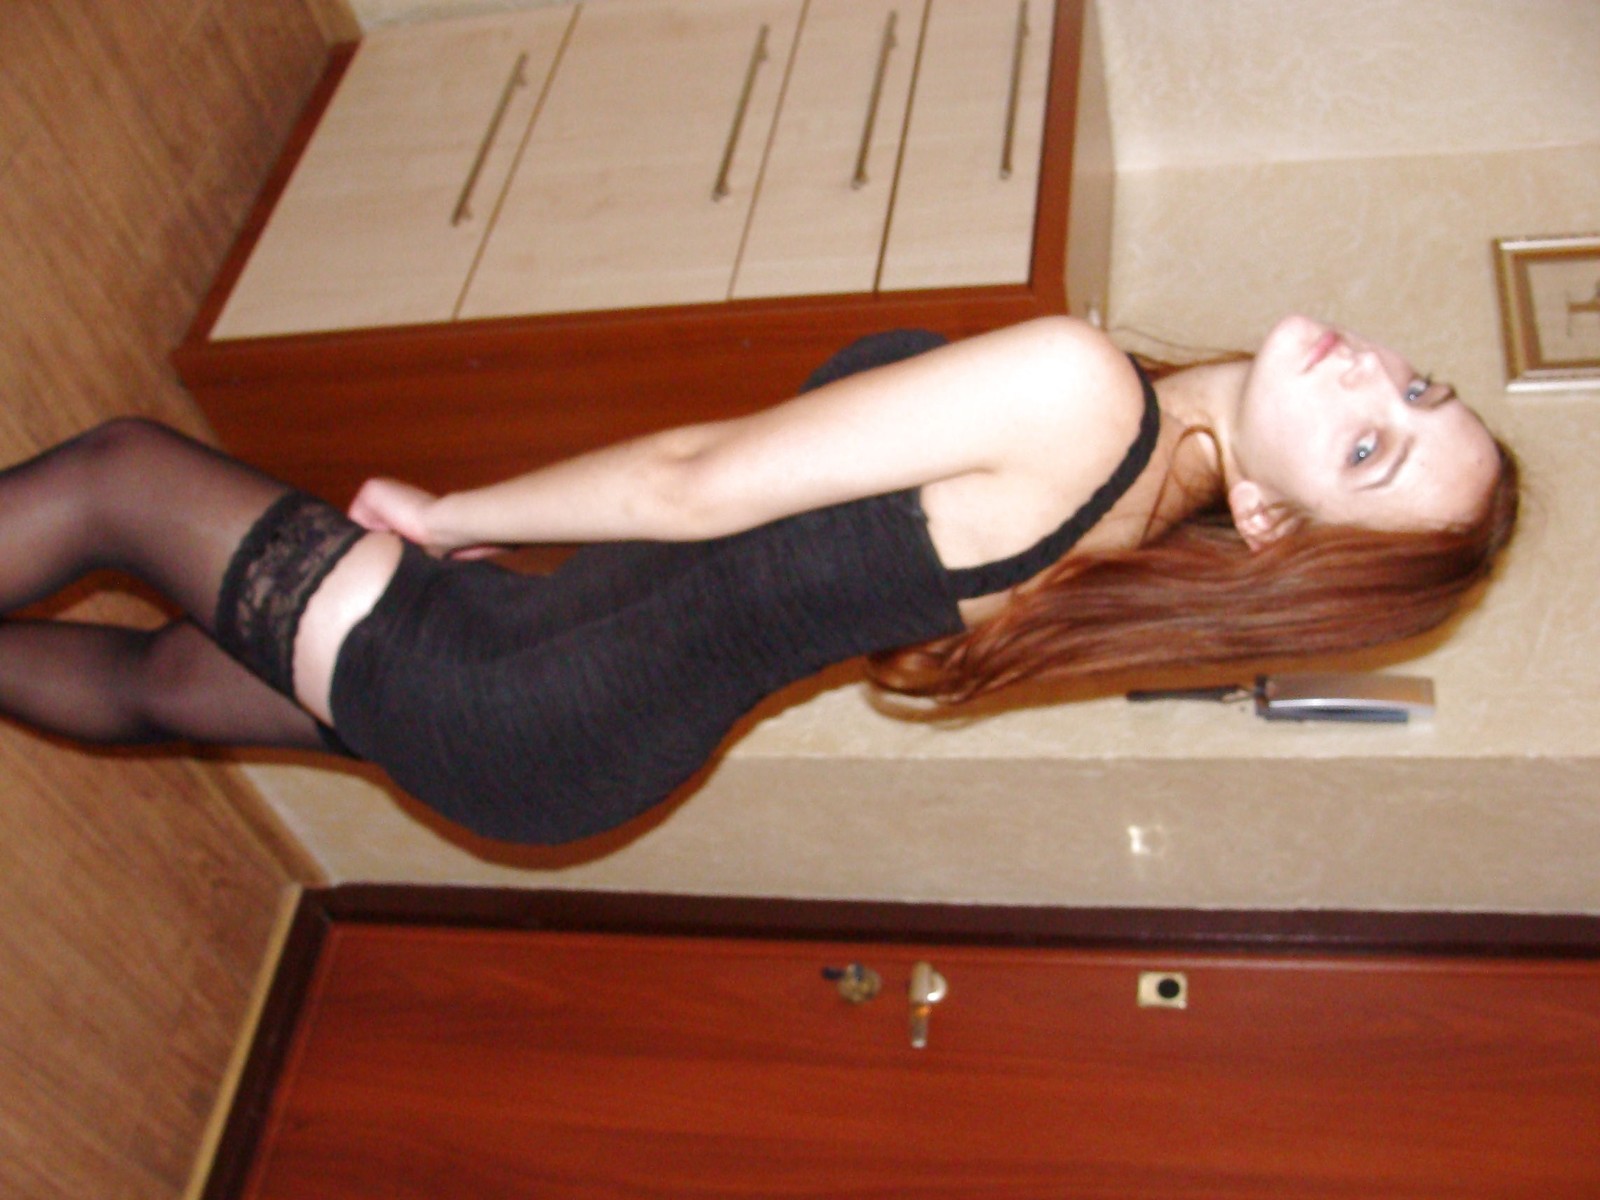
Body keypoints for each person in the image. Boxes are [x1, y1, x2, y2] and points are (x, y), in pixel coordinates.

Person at [0, 315, 1517, 843]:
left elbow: (696, 482)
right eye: (1420, 392)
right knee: (166, 682)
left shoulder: (1086, 397)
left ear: (1269, 519)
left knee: (119, 477)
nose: (1371, 382)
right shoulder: (1130, 529)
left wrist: (449, 511)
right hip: (569, 727)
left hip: (522, 682)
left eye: (1368, 450)